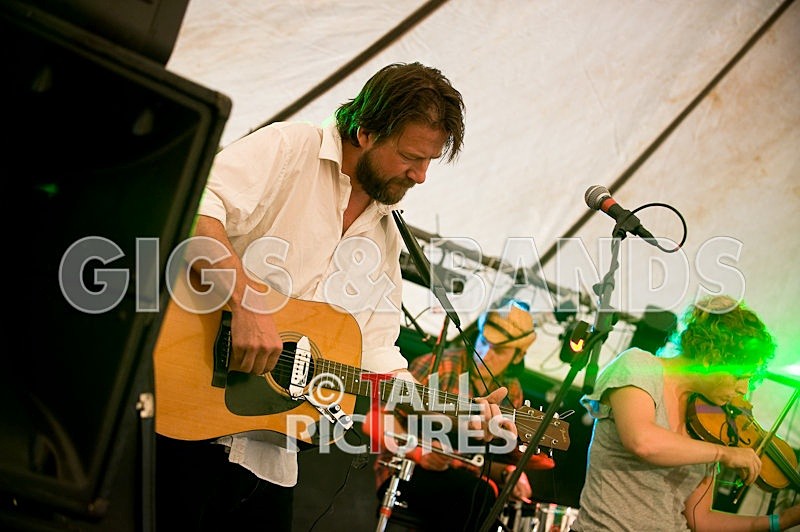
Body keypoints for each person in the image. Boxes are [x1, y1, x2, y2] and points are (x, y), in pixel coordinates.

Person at [155, 62, 513, 531]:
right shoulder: (289, 147)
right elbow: (195, 204)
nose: (421, 176)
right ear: (365, 132)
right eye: (411, 156)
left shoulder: (385, 234)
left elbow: (380, 358)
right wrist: (246, 301)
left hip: (269, 458)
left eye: (430, 161)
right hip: (178, 418)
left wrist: (455, 418)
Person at [571, 294, 800, 532]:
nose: (743, 389)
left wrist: (779, 522)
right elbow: (642, 441)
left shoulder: (713, 421)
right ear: (711, 359)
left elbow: (699, 519)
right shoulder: (639, 366)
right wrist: (723, 453)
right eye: (740, 377)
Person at [365, 299, 542, 531]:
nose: (485, 353)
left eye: (499, 350)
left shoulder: (512, 392)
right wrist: (419, 452)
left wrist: (510, 473)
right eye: (483, 341)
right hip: (407, 471)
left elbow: (481, 460)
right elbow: (374, 421)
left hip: (463, 479)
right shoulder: (440, 366)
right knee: (478, 495)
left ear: (518, 356)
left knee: (488, 501)